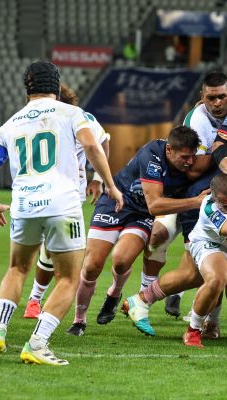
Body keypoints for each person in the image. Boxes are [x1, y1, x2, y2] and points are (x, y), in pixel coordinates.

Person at [0, 61, 122, 365]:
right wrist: (108, 184)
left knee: (16, 269)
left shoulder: (10, 123)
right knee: (68, 278)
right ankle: (37, 343)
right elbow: (92, 144)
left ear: (27, 88)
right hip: (61, 204)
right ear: (56, 85)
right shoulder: (72, 113)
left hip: (23, 205)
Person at [66, 126, 208, 336]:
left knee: (122, 260)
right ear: (169, 150)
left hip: (141, 216)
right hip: (116, 203)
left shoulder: (190, 164)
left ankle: (114, 293)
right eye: (184, 157)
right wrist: (195, 202)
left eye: (192, 156)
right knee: (92, 265)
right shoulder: (152, 155)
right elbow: (155, 206)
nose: (189, 162)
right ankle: (79, 321)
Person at [122, 173, 227, 343]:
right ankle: (193, 330)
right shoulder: (210, 207)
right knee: (217, 278)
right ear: (216, 200)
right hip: (212, 243)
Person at [141, 72, 227, 318]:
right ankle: (144, 294)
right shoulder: (198, 119)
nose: (217, 103)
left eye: (222, 97)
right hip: (183, 194)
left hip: (202, 195)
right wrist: (224, 151)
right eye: (211, 98)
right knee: (162, 237)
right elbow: (193, 170)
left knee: (207, 258)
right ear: (202, 97)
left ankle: (180, 298)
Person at [22, 84, 111, 319]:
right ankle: (37, 300)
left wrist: (98, 178)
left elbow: (103, 141)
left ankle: (35, 300)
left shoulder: (82, 118)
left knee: (52, 248)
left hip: (68, 193)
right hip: (34, 191)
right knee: (42, 250)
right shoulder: (34, 119)